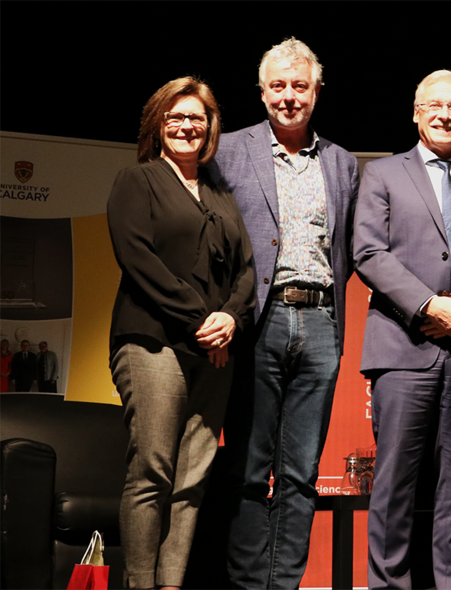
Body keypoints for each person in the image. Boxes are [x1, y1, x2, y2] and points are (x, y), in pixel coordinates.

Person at [207, 37, 359, 590]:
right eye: (278, 86)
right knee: (249, 468)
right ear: (262, 91)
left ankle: (283, 584)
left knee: (300, 475)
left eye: (300, 86)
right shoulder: (228, 151)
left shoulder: (342, 162)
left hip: (321, 323)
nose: (289, 97)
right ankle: (249, 584)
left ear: (317, 91)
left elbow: (352, 247)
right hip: (257, 322)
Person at [354, 69, 451, 590]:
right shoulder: (381, 174)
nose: (445, 115)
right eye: (434, 105)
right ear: (416, 113)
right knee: (395, 487)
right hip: (404, 347)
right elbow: (368, 252)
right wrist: (428, 306)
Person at [106, 76, 255, 590]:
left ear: (211, 126)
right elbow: (139, 261)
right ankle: (141, 584)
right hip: (153, 340)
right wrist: (202, 323)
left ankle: (172, 585)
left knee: (192, 480)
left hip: (215, 348)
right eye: (176, 117)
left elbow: (247, 270)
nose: (187, 126)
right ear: (158, 124)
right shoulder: (137, 180)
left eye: (197, 117)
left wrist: (230, 317)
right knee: (153, 471)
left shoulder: (220, 193)